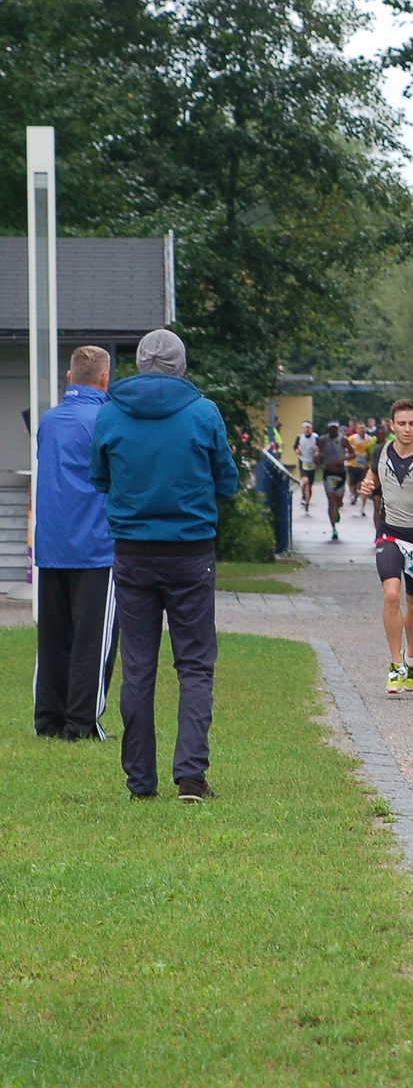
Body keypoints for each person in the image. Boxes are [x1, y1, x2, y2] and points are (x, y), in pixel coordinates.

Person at [90, 328, 238, 802]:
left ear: (138, 363)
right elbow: (228, 481)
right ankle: (191, 776)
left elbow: (99, 477)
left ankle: (140, 781)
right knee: (194, 665)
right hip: (191, 552)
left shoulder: (111, 413)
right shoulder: (203, 412)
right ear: (181, 365)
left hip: (132, 553)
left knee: (138, 668)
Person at [33, 346, 118, 741]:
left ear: (70, 377)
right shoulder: (106, 419)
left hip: (53, 544)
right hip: (95, 545)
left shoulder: (49, 421)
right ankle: (82, 723)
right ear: (105, 379)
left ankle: (48, 718)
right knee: (92, 639)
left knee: (53, 636)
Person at [357, 401, 413, 695]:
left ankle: (411, 659)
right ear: (392, 425)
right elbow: (373, 473)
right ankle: (395, 663)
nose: (407, 429)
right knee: (391, 595)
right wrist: (367, 484)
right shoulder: (381, 451)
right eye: (402, 424)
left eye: (412, 424)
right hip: (389, 533)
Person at [316, 421, 348, 539]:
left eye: (334, 428)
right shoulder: (323, 439)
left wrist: (344, 458)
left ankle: (337, 508)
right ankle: (333, 528)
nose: (332, 430)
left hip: (340, 474)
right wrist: (318, 456)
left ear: (337, 429)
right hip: (328, 473)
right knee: (331, 499)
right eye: (330, 428)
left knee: (338, 501)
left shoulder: (343, 440)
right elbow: (319, 452)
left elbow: (353, 454)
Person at [346, 418, 373, 510]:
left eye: (363, 428)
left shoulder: (369, 439)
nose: (361, 430)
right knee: (353, 483)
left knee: (361, 483)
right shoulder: (352, 439)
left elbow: (371, 451)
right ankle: (354, 494)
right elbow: (345, 448)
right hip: (353, 464)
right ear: (356, 430)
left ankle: (358, 496)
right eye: (359, 428)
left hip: (364, 465)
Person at [294, 420, 319, 512]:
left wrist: (317, 450)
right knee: (305, 481)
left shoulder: (315, 438)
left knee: (309, 485)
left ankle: (307, 502)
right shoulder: (300, 437)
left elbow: (320, 449)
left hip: (312, 463)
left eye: (308, 427)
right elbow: (295, 448)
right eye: (305, 427)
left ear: (311, 429)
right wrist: (298, 451)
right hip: (302, 462)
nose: (306, 429)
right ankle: (304, 496)